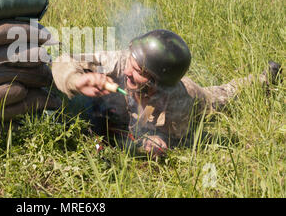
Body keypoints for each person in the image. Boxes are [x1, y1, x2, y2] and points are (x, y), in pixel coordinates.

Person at [52, 29, 281, 157]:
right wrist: (76, 80)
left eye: (139, 72)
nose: (128, 73)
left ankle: (264, 79)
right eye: (131, 63)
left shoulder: (181, 101)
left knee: (224, 95)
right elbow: (64, 60)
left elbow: (172, 138)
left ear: (157, 82)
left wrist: (155, 141)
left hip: (196, 98)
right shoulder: (125, 61)